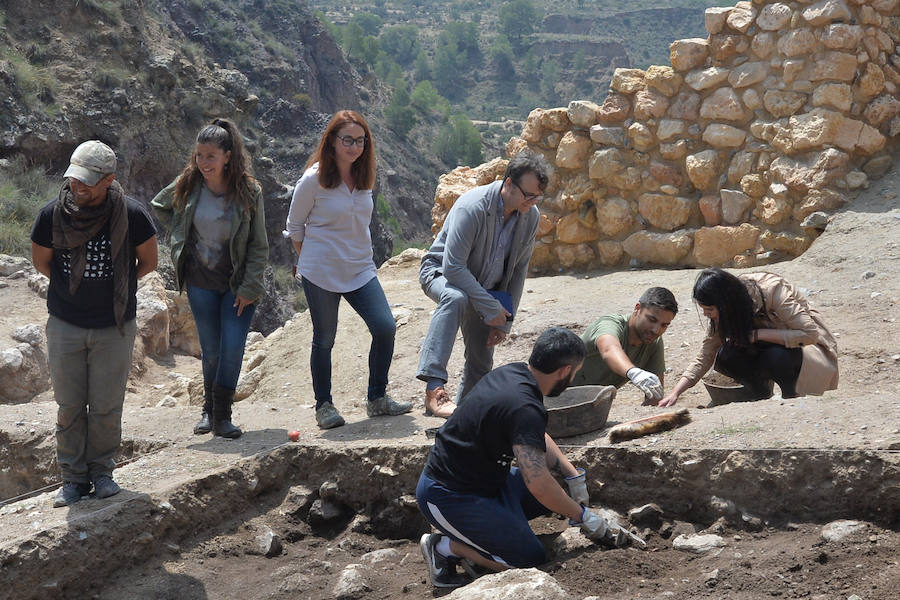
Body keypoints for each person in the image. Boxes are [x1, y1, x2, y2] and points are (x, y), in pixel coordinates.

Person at [415, 327, 631, 588]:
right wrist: (584, 517)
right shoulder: (524, 405)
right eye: (574, 372)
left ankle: (494, 532)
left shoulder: (515, 375)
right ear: (564, 371)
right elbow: (538, 482)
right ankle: (445, 547)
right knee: (527, 559)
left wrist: (572, 475)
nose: (572, 379)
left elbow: (532, 434)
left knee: (561, 491)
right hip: (449, 495)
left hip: (488, 482)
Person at [31, 140, 158, 507]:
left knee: (105, 406)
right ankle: (72, 479)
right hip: (65, 324)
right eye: (75, 179)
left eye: (87, 181)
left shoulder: (132, 215)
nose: (78, 187)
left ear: (108, 180)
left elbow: (147, 263)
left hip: (114, 327)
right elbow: (44, 263)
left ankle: (102, 472)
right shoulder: (51, 215)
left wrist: (114, 291)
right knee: (69, 406)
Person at [284, 110, 410, 430]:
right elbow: (294, 226)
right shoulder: (314, 179)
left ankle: (377, 397)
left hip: (360, 269)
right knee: (325, 338)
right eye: (347, 140)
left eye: (360, 140)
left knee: (384, 327)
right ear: (332, 141)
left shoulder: (365, 174)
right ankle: (324, 405)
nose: (354, 147)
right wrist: (311, 258)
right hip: (321, 272)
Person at [151, 118, 268, 439]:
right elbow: (160, 205)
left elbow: (259, 246)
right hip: (200, 284)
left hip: (238, 287)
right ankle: (208, 413)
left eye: (210, 157)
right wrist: (181, 235)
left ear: (227, 156)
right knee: (212, 350)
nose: (203, 163)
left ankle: (223, 417)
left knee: (232, 349)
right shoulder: (188, 184)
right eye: (199, 155)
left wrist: (250, 287)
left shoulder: (249, 191)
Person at [416, 152, 550, 418]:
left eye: (537, 197)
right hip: (441, 274)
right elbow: (453, 268)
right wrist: (490, 306)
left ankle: (463, 419)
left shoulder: (529, 216)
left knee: (481, 359)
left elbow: (517, 271)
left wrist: (504, 319)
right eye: (528, 195)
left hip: (482, 288)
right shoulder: (473, 206)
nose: (533, 202)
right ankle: (434, 388)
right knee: (455, 298)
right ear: (509, 184)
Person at [660, 268, 839, 407]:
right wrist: (675, 393)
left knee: (775, 357)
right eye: (704, 310)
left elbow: (809, 334)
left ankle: (791, 397)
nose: (707, 315)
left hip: (808, 351)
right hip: (770, 346)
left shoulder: (772, 290)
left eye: (710, 310)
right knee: (727, 356)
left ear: (725, 303)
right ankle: (760, 397)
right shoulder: (724, 313)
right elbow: (706, 355)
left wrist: (757, 335)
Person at [571, 287, 678, 404]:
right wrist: (634, 372)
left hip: (588, 407)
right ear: (637, 309)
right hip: (555, 396)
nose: (656, 330)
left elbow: (655, 394)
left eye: (664, 325)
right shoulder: (610, 324)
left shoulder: (653, 341)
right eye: (652, 320)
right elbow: (609, 349)